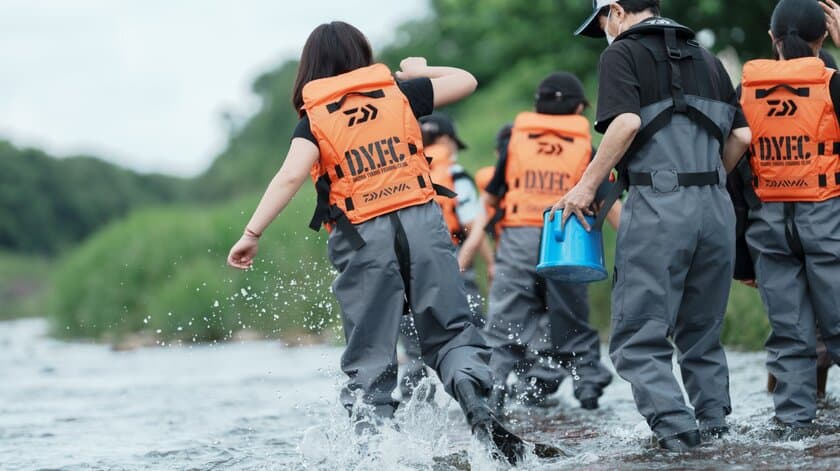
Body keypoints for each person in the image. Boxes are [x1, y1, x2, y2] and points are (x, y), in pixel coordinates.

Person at [225, 21, 532, 464]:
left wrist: (251, 233)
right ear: (362, 57)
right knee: (451, 332)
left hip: (362, 237)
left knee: (370, 352)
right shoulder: (398, 94)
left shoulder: (314, 121)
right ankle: (474, 397)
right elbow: (466, 80)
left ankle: (375, 455)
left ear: (310, 68)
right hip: (424, 226)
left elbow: (289, 176)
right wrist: (412, 73)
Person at [569, 0, 752, 451]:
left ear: (615, 11)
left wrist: (585, 188)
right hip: (715, 207)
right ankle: (714, 429)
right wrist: (708, 180)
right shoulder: (708, 59)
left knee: (636, 338)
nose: (605, 33)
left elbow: (627, 122)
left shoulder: (621, 54)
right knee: (702, 333)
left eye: (603, 23)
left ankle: (678, 435)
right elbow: (743, 136)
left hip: (658, 204)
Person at [458, 72, 619, 414]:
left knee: (504, 322)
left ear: (537, 105)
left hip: (517, 238)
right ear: (578, 107)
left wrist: (472, 244)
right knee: (572, 317)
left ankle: (494, 393)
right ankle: (588, 391)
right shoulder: (583, 144)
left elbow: (492, 195)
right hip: (567, 238)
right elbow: (607, 198)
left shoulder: (517, 138)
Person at [733, 0, 840, 435]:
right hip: (827, 224)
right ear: (822, 39)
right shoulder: (831, 85)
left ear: (773, 40)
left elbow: (735, 170)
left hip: (769, 230)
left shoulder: (745, 91)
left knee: (789, 337)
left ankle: (794, 431)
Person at [397, 113, 493, 400]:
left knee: (414, 346)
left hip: (406, 264)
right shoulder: (455, 174)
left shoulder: (403, 169)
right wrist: (483, 262)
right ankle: (479, 398)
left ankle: (414, 410)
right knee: (467, 333)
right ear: (447, 140)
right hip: (449, 257)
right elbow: (475, 227)